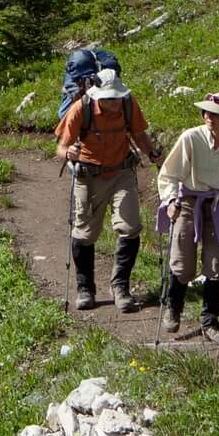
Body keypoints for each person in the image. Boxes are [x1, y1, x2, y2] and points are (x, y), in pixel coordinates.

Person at [54, 66, 162, 311]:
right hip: (88, 176)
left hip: (122, 173)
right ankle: (85, 288)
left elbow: (138, 134)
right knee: (84, 233)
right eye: (109, 99)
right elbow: (61, 147)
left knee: (130, 226)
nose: (114, 103)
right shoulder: (81, 109)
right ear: (97, 95)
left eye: (116, 97)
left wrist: (153, 153)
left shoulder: (127, 104)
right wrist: (68, 153)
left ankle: (121, 287)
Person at [154, 91, 219, 340]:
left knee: (217, 264)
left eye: (217, 114)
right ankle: (174, 307)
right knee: (182, 263)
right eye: (206, 113)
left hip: (217, 204)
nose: (209, 117)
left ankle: (210, 320)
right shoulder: (191, 137)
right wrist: (170, 200)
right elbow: (169, 175)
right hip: (188, 202)